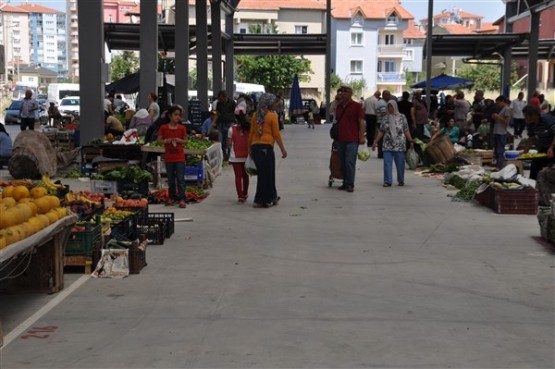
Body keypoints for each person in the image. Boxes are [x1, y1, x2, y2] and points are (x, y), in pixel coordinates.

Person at [248, 93, 287, 208]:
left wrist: (249, 148)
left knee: (264, 174)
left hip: (256, 148)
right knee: (268, 174)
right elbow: (276, 135)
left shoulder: (255, 115)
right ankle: (262, 200)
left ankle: (272, 196)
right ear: (269, 103)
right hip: (266, 148)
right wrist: (283, 149)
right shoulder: (272, 116)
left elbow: (251, 133)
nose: (275, 104)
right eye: (274, 102)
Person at [372, 100, 414, 187]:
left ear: (395, 107)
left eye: (391, 106)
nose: (390, 108)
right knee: (387, 163)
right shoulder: (385, 118)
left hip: (399, 144)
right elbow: (381, 131)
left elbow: (406, 130)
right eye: (388, 107)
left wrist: (410, 141)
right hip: (387, 143)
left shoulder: (402, 117)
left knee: (400, 163)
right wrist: (375, 142)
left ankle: (401, 180)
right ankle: (387, 181)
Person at [334, 85, 365, 192]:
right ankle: (345, 182)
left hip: (352, 139)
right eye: (342, 91)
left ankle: (350, 184)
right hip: (340, 139)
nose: (343, 93)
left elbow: (361, 121)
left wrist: (361, 136)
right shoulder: (339, 106)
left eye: (346, 91)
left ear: (351, 93)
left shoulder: (357, 106)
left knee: (350, 162)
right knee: (342, 162)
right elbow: (335, 118)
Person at [157, 105, 188, 208]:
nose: (178, 117)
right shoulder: (163, 128)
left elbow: (186, 141)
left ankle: (182, 198)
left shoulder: (182, 128)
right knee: (170, 179)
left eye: (179, 115)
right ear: (170, 116)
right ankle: (171, 197)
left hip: (180, 157)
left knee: (180, 179)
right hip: (169, 157)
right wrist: (166, 141)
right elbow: (159, 140)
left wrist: (180, 141)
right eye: (175, 115)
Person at [523, 104, 555, 179]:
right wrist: (525, 151)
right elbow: (531, 137)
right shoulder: (530, 124)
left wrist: (551, 147)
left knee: (551, 169)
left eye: (526, 116)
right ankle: (533, 185)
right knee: (535, 164)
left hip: (552, 145)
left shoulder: (546, 119)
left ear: (534, 115)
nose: (525, 119)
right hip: (544, 147)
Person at [227, 111, 250, 203]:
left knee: (238, 176)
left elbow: (228, 143)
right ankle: (245, 193)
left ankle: (240, 196)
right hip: (246, 155)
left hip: (235, 156)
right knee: (246, 176)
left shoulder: (231, 129)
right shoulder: (249, 128)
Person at [214, 90, 236, 161]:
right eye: (219, 99)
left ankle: (230, 156)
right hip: (221, 124)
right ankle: (224, 155)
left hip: (230, 124)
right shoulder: (219, 104)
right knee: (221, 141)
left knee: (229, 141)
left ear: (225, 97)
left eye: (221, 98)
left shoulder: (232, 103)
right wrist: (214, 122)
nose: (221, 100)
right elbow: (217, 113)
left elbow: (235, 113)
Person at [491, 95, 511, 170]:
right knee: (496, 150)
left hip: (501, 133)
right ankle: (497, 165)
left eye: (498, 103)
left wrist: (498, 117)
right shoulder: (502, 109)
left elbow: (506, 122)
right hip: (497, 131)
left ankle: (500, 166)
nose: (498, 105)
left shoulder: (507, 109)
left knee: (500, 150)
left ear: (503, 101)